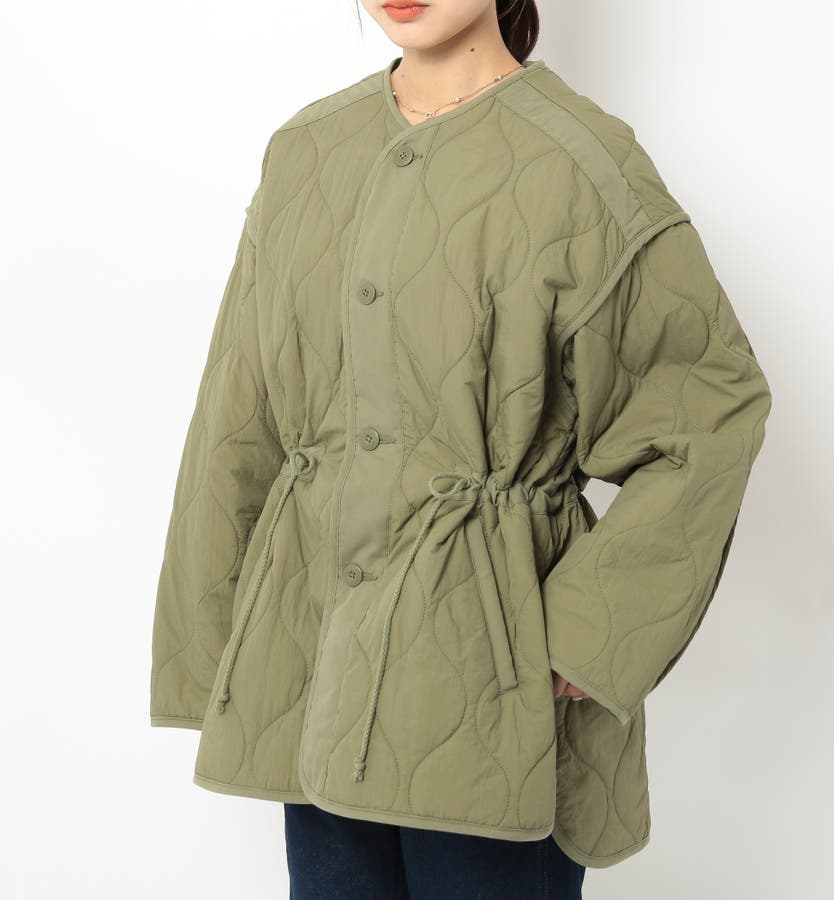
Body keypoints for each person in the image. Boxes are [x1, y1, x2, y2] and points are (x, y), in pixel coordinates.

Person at [149, 1, 773, 897]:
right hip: (315, 661)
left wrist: (585, 636)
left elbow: (710, 409)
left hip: (491, 682)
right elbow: (236, 414)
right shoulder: (306, 153)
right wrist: (217, 641)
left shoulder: (580, 163)